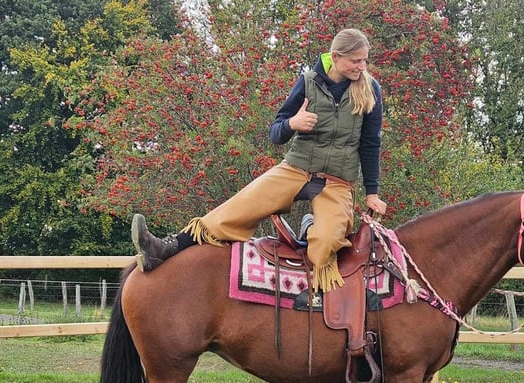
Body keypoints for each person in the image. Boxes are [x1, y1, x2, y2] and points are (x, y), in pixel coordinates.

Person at [131, 28, 386, 292]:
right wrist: (293, 123)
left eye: (365, 60)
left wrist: (372, 193)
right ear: (335, 56)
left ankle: (311, 227)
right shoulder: (308, 82)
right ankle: (165, 247)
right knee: (237, 208)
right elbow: (275, 134)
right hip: (298, 169)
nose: (362, 66)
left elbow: (370, 144)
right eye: (356, 61)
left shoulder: (369, 90)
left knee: (324, 248)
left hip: (337, 181)